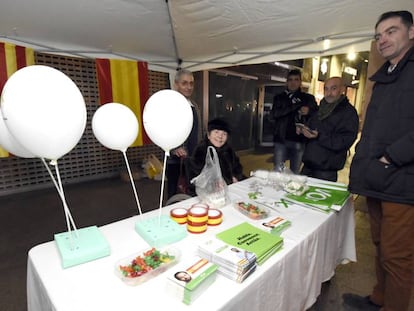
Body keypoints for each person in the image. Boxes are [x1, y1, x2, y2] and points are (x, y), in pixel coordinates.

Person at [344, 10, 414, 311]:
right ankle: (379, 299)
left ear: (411, 32)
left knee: (397, 257)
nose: (382, 39)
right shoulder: (386, 73)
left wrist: (390, 157)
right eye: (378, 35)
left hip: (401, 181)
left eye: (391, 31)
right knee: (380, 247)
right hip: (376, 178)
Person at [298, 77, 359, 182]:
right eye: (326, 89)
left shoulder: (348, 112)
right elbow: (312, 127)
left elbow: (345, 141)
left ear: (342, 89)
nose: (329, 93)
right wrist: (304, 130)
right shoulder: (320, 108)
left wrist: (319, 136)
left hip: (326, 170)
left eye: (333, 88)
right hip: (309, 165)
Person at [270, 69, 318, 174]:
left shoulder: (307, 98)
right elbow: (275, 114)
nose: (293, 82)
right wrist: (295, 106)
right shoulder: (279, 98)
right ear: (287, 82)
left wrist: (309, 111)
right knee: (278, 172)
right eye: (290, 80)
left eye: (296, 80)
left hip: (299, 141)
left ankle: (292, 190)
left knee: (294, 173)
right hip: (281, 140)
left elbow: (317, 114)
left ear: (300, 82)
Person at [166, 69, 202, 199]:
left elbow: (197, 132)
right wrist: (173, 148)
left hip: (192, 160)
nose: (189, 87)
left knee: (191, 193)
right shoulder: (169, 105)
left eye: (191, 83)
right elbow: (162, 130)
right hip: (175, 162)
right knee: (175, 195)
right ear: (176, 84)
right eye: (184, 83)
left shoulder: (194, 106)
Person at [189, 118, 245, 192]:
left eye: (224, 134)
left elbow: (237, 167)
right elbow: (197, 177)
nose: (220, 136)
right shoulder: (201, 150)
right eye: (216, 132)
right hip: (209, 194)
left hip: (230, 189)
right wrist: (214, 184)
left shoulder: (228, 150)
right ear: (209, 135)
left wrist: (235, 176)